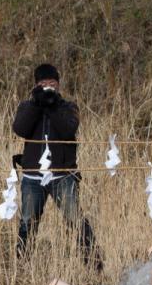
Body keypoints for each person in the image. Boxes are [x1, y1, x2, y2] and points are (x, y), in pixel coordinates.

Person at [12, 63, 98, 266]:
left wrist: (52, 106)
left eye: (52, 84)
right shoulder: (27, 107)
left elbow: (68, 130)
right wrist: (37, 104)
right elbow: (20, 129)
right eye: (43, 84)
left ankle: (93, 262)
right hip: (33, 176)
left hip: (63, 176)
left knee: (75, 219)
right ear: (35, 86)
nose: (48, 88)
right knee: (27, 221)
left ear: (58, 85)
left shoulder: (68, 107)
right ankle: (23, 262)